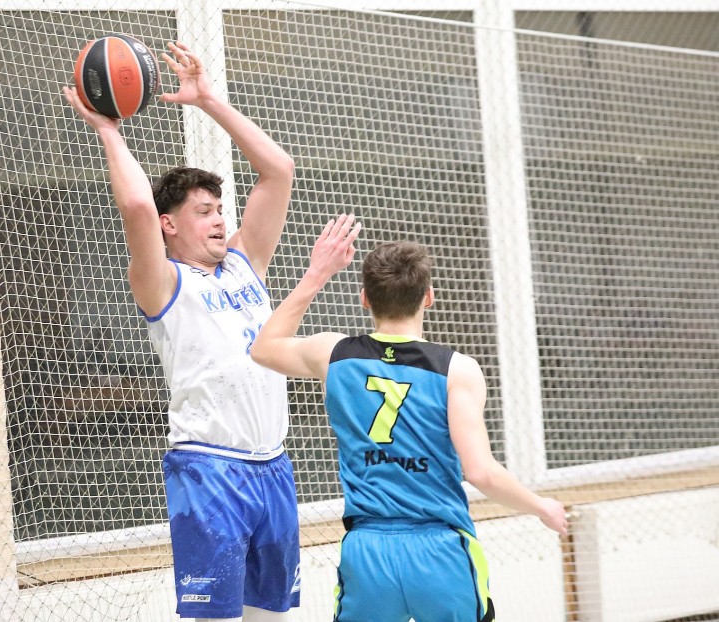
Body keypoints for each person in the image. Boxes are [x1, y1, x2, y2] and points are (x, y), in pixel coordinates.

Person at [63, 41, 299, 622]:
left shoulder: (245, 262)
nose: (219, 219)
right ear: (171, 226)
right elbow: (138, 209)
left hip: (274, 465)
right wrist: (108, 129)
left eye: (219, 208)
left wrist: (209, 101)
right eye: (203, 211)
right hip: (210, 469)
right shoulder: (163, 282)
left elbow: (279, 171)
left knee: (272, 617)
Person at [250, 216, 569, 622]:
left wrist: (318, 274)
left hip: (368, 551)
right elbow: (480, 472)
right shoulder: (457, 370)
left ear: (365, 298)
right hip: (440, 549)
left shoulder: (334, 355)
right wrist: (541, 506)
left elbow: (263, 348)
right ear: (428, 296)